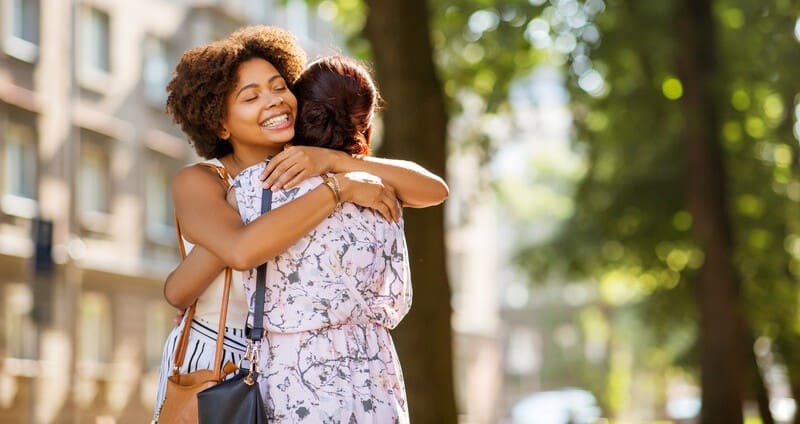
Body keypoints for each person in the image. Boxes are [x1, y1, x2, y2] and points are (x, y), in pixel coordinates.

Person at [153, 26, 447, 421]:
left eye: (279, 87)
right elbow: (238, 252)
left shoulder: (312, 164)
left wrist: (335, 162)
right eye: (251, 96)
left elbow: (432, 189)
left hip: (297, 359)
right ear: (220, 123)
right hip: (220, 354)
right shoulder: (203, 181)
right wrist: (337, 189)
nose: (274, 102)